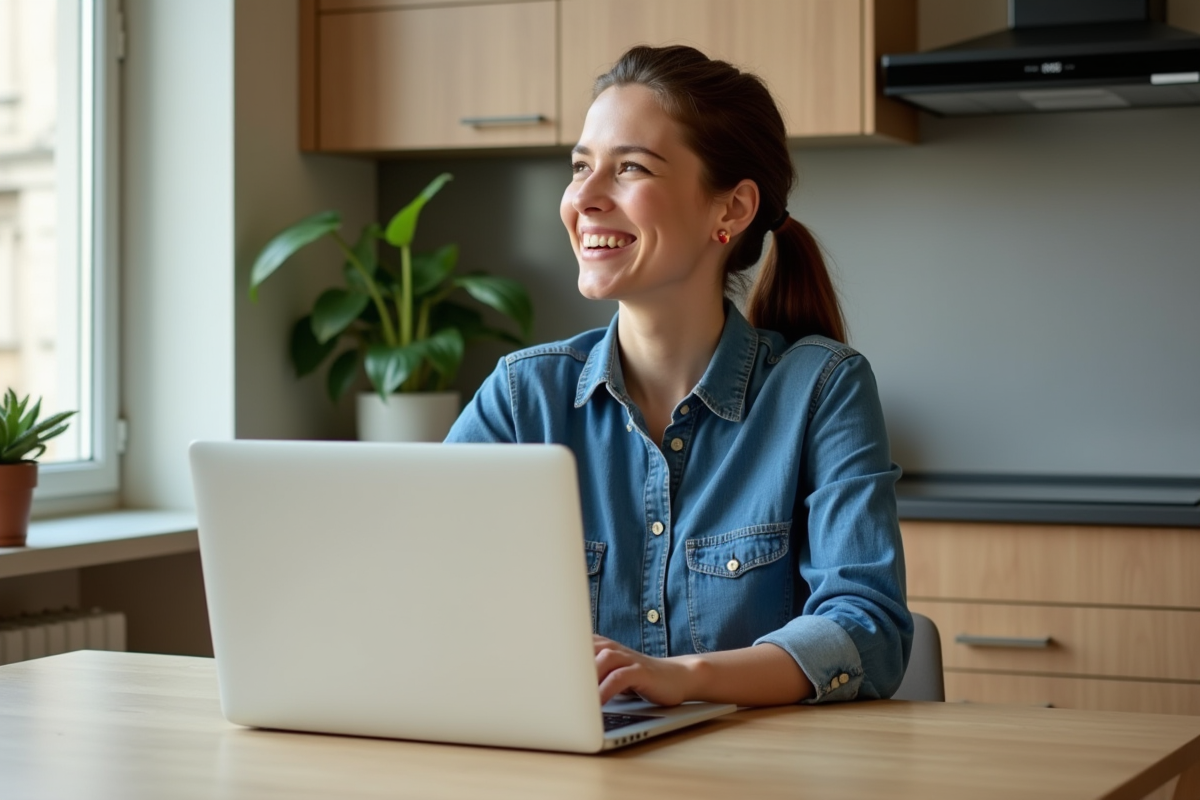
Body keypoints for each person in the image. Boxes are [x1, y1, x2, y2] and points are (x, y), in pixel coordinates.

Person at [446, 45, 911, 707]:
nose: (584, 198)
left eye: (629, 167)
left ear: (732, 210)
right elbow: (427, 590)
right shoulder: (523, 397)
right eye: (581, 167)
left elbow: (869, 628)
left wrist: (684, 679)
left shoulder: (821, 389)